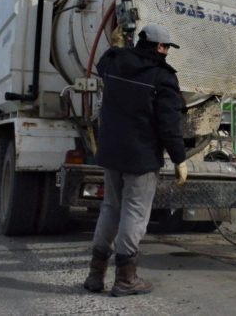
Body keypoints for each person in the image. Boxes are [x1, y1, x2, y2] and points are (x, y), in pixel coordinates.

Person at [83, 24, 188, 296]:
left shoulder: (115, 62)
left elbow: (102, 63)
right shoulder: (163, 77)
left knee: (110, 208)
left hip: (111, 153)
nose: (166, 52)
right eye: (165, 47)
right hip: (141, 157)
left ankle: (96, 276)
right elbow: (169, 124)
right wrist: (179, 158)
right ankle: (126, 279)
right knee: (135, 213)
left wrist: (116, 45)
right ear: (159, 47)